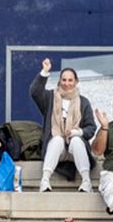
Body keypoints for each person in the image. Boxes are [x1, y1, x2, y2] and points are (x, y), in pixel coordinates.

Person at [30, 59, 97, 193]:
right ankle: (45, 180)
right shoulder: (50, 98)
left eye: (70, 80)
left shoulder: (83, 102)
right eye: (64, 80)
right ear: (59, 81)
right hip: (56, 150)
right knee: (57, 139)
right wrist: (45, 71)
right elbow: (35, 92)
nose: (67, 83)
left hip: (75, 151)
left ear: (76, 82)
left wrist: (77, 132)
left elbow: (91, 128)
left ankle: (86, 181)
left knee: (77, 141)